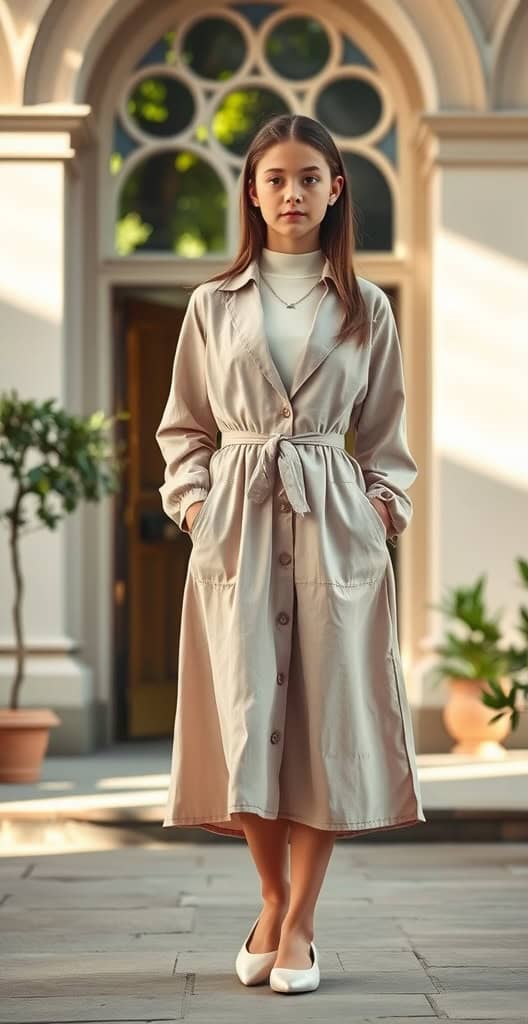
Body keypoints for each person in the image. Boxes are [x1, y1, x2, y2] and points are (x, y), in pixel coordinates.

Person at [155, 113, 425, 994]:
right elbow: (184, 427)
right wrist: (196, 505)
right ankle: (271, 898)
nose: (293, 194)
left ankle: (300, 924)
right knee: (244, 722)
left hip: (333, 530)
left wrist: (379, 513)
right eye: (275, 179)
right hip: (236, 526)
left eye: (310, 177)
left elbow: (385, 437)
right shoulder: (211, 304)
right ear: (252, 190)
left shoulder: (367, 306)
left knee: (327, 729)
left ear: (336, 188)